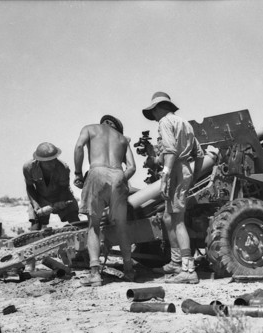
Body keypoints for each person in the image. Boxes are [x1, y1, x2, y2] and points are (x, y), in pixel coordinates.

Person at [142, 91, 204, 284]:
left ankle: (188, 269)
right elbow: (200, 154)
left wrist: (165, 173)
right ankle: (176, 262)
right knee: (169, 218)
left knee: (177, 221)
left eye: (153, 111)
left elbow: (170, 150)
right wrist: (194, 176)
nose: (153, 116)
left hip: (175, 169)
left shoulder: (165, 123)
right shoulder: (185, 124)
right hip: (184, 168)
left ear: (160, 108)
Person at [73, 114, 137, 286]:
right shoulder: (123, 139)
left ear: (104, 123)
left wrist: (78, 174)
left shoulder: (90, 128)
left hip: (97, 172)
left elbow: (79, 146)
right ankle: (129, 270)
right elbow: (132, 167)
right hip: (118, 174)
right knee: (121, 227)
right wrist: (120, 179)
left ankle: (95, 273)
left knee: (93, 225)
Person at [23, 142, 80, 230]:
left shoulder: (63, 168)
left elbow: (64, 188)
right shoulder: (28, 168)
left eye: (54, 159)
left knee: (75, 221)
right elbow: (30, 187)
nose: (53, 163)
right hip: (40, 198)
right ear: (40, 161)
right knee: (35, 226)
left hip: (61, 196)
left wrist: (59, 204)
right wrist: (36, 206)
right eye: (48, 162)